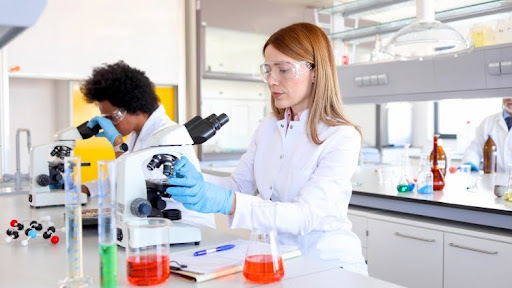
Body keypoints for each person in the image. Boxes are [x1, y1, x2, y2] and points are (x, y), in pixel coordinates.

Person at [166, 23, 368, 275]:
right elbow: (239, 186)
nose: (272, 80)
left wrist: (225, 201)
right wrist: (197, 180)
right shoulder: (268, 127)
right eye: (268, 70)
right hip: (277, 261)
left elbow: (304, 216)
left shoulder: (341, 136)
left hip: (329, 267)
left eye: (283, 70)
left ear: (315, 72)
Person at [80, 61, 215, 228]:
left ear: (135, 108)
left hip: (186, 226)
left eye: (111, 118)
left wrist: (117, 144)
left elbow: (130, 186)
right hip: (154, 224)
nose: (109, 125)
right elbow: (113, 183)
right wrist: (83, 189)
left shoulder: (167, 136)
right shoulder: (137, 134)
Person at [463, 98, 512, 173]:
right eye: (507, 95)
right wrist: (470, 163)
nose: (510, 98)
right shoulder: (488, 122)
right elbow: (475, 148)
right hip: (493, 180)